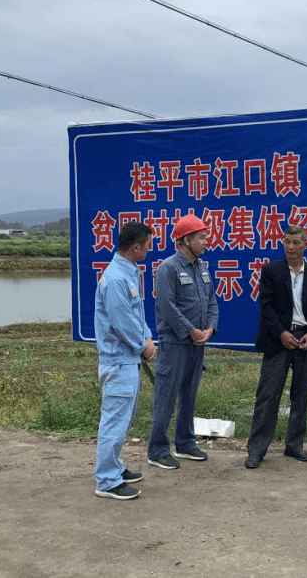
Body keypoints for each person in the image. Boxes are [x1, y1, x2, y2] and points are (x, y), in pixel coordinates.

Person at [245, 225, 307, 469]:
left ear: (305, 245)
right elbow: (266, 306)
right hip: (277, 339)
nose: (290, 247)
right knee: (268, 395)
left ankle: (294, 445)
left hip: (304, 340)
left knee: (301, 395)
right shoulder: (271, 271)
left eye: (295, 243)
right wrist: (281, 332)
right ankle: (257, 449)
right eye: (287, 242)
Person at [147, 214, 218, 470]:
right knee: (165, 397)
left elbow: (212, 303)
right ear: (185, 240)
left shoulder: (202, 268)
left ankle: (185, 443)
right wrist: (190, 331)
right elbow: (166, 306)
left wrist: (209, 328)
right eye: (201, 237)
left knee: (189, 394)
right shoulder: (168, 267)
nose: (205, 241)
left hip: (197, 344)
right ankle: (157, 450)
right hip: (175, 343)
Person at [93, 221, 156, 500]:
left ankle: (114, 467)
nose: (150, 248)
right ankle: (107, 481)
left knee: (123, 418)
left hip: (127, 359)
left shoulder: (128, 272)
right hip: (119, 360)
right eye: (148, 244)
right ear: (136, 247)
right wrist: (142, 345)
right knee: (114, 420)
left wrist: (147, 338)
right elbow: (121, 321)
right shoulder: (118, 278)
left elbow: (136, 315)